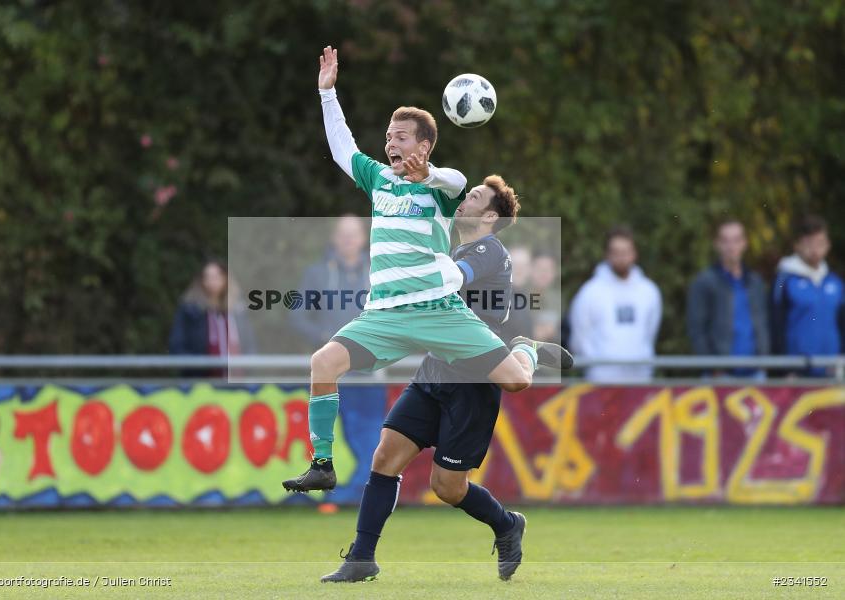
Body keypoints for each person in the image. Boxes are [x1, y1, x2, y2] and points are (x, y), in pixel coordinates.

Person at [282, 46, 569, 493]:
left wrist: (429, 174)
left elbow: (456, 179)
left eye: (400, 137)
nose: (390, 143)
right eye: (388, 136)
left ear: (423, 145)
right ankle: (322, 464)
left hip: (437, 309)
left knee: (515, 382)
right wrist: (327, 93)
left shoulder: (442, 190)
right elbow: (343, 149)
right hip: (386, 313)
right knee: (323, 362)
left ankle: (526, 348)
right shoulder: (378, 178)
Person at [321, 175, 542, 583]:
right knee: (385, 455)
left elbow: (453, 277)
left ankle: (507, 524)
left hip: (473, 383)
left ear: (490, 215)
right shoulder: (457, 245)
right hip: (435, 371)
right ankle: (361, 558)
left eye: (474, 197)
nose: (465, 199)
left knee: (448, 487)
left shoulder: (489, 250)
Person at [568, 226, 662, 382]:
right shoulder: (590, 292)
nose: (621, 257)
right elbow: (580, 337)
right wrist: (597, 368)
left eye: (625, 252)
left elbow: (650, 332)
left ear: (634, 254)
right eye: (616, 252)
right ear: (607, 255)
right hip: (601, 382)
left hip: (640, 379)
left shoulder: (649, 291)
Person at [686, 219, 769, 376]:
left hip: (755, 372)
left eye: (736, 240)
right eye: (725, 241)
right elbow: (696, 329)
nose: (731, 247)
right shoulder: (704, 282)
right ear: (717, 244)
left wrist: (764, 358)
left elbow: (764, 323)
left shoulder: (755, 282)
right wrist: (712, 366)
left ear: (744, 243)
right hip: (720, 375)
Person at [771, 215, 844, 376]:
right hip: (798, 373)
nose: (815, 250)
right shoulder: (784, 280)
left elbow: (841, 324)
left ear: (828, 245)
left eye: (820, 243)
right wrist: (784, 370)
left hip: (832, 371)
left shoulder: (835, 282)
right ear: (797, 245)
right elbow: (776, 327)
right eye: (809, 244)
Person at [289, 215, 371, 348]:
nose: (348, 239)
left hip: (372, 360)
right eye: (343, 234)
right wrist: (324, 336)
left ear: (363, 237)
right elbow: (297, 317)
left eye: (354, 234)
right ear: (334, 237)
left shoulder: (377, 274)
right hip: (331, 360)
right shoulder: (317, 274)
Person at [168, 259, 257, 376]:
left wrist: (249, 366)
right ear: (201, 280)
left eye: (217, 276)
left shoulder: (238, 309)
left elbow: (249, 342)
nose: (212, 281)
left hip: (238, 381)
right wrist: (197, 365)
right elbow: (177, 345)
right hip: (200, 382)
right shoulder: (190, 310)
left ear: (226, 279)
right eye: (208, 277)